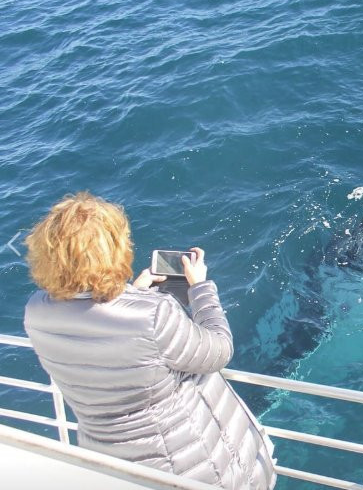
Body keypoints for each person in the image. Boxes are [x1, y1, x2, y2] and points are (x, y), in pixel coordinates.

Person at [23, 192, 276, 489]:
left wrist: (131, 292)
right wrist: (201, 289)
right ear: (115, 250)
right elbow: (219, 351)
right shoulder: (153, 315)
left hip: (114, 468)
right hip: (189, 468)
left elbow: (96, 327)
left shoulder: (36, 312)